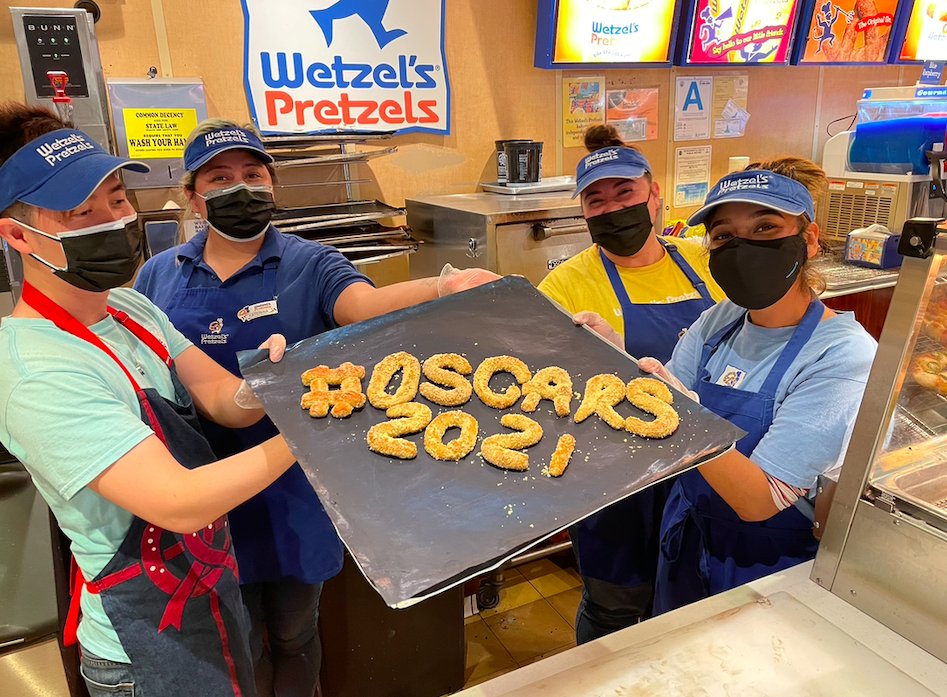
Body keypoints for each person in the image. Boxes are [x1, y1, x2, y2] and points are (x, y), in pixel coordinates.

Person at [134, 119, 499, 697]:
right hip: (198, 487)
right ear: (191, 195)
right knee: (234, 636)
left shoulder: (308, 261)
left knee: (294, 633)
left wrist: (441, 286)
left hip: (293, 483)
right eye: (220, 178)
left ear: (273, 186)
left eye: (253, 175)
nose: (240, 188)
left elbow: (366, 305)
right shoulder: (159, 275)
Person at [0, 104, 297, 697]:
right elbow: (180, 502)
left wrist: (272, 380)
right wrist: (311, 434)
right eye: (81, 212)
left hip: (211, 593)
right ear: (16, 234)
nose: (113, 220)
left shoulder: (130, 309)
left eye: (116, 199)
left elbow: (221, 399)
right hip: (138, 651)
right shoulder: (34, 370)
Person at [625, 158, 876, 613]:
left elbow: (760, 498)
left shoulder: (840, 354)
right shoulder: (720, 322)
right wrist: (604, 354)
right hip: (686, 546)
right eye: (724, 236)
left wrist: (680, 412)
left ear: (810, 240)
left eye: (765, 228)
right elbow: (652, 410)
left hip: (768, 572)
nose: (743, 247)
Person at [536, 125, 725, 643]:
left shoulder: (704, 260)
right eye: (595, 200)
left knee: (690, 602)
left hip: (702, 463)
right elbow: (553, 392)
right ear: (583, 213)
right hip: (616, 477)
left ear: (654, 194)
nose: (611, 208)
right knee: (614, 607)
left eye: (625, 192)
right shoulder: (566, 284)